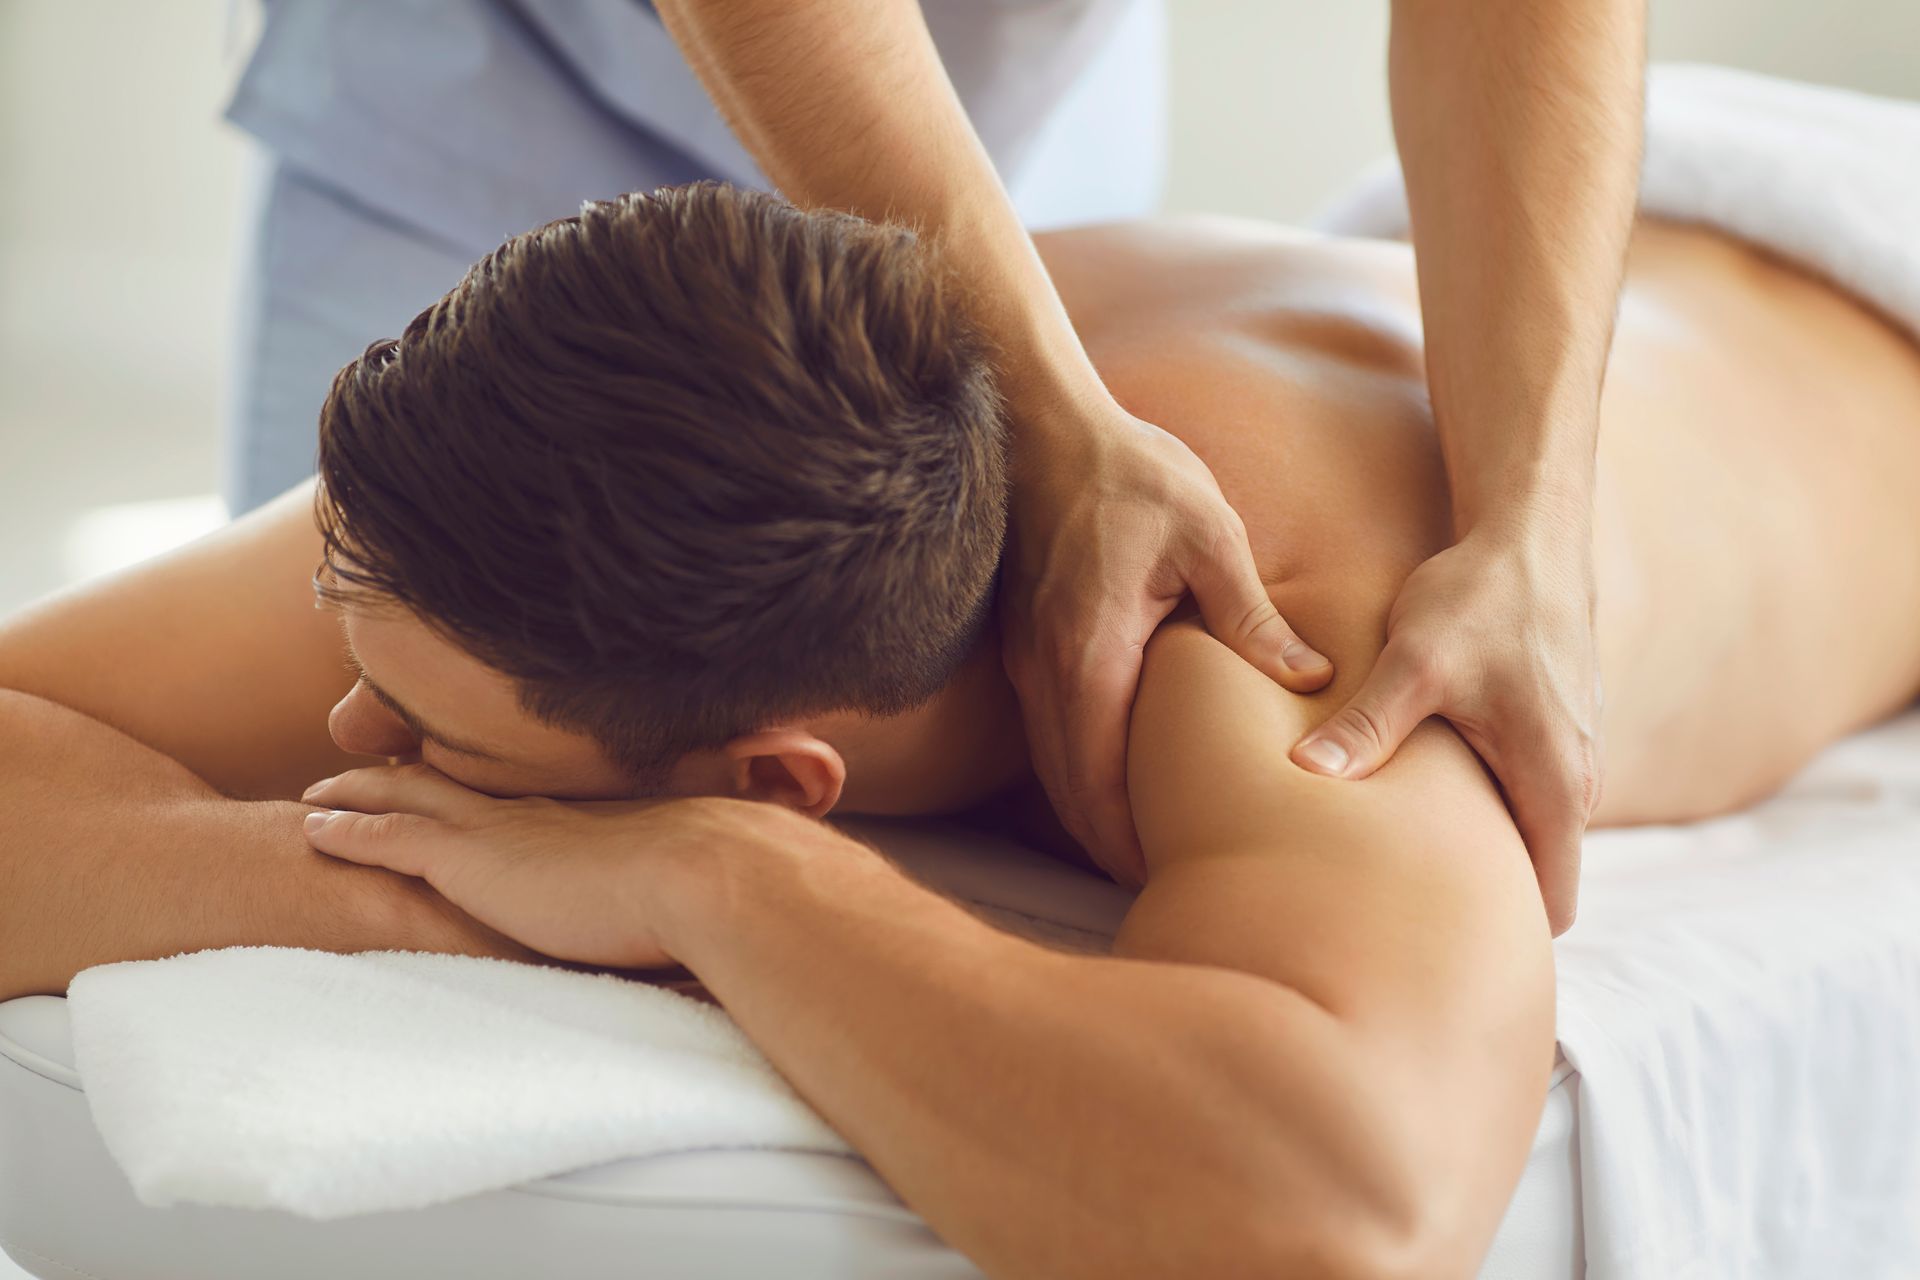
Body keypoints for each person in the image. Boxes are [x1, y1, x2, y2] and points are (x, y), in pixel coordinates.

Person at [6, 179, 1919, 1276]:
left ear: (782, 779)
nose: (340, 729)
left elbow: (1341, 1207)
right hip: (1535, 257)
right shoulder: (649, 462)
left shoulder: (1263, 637)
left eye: (419, 731)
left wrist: (706, 884)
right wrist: (413, 881)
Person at [229, 0, 1650, 932]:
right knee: (395, 699)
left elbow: (1354, 1192)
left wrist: (1531, 527)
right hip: (494, 71)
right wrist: (1050, 410)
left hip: (978, 104)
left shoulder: (1261, 625)